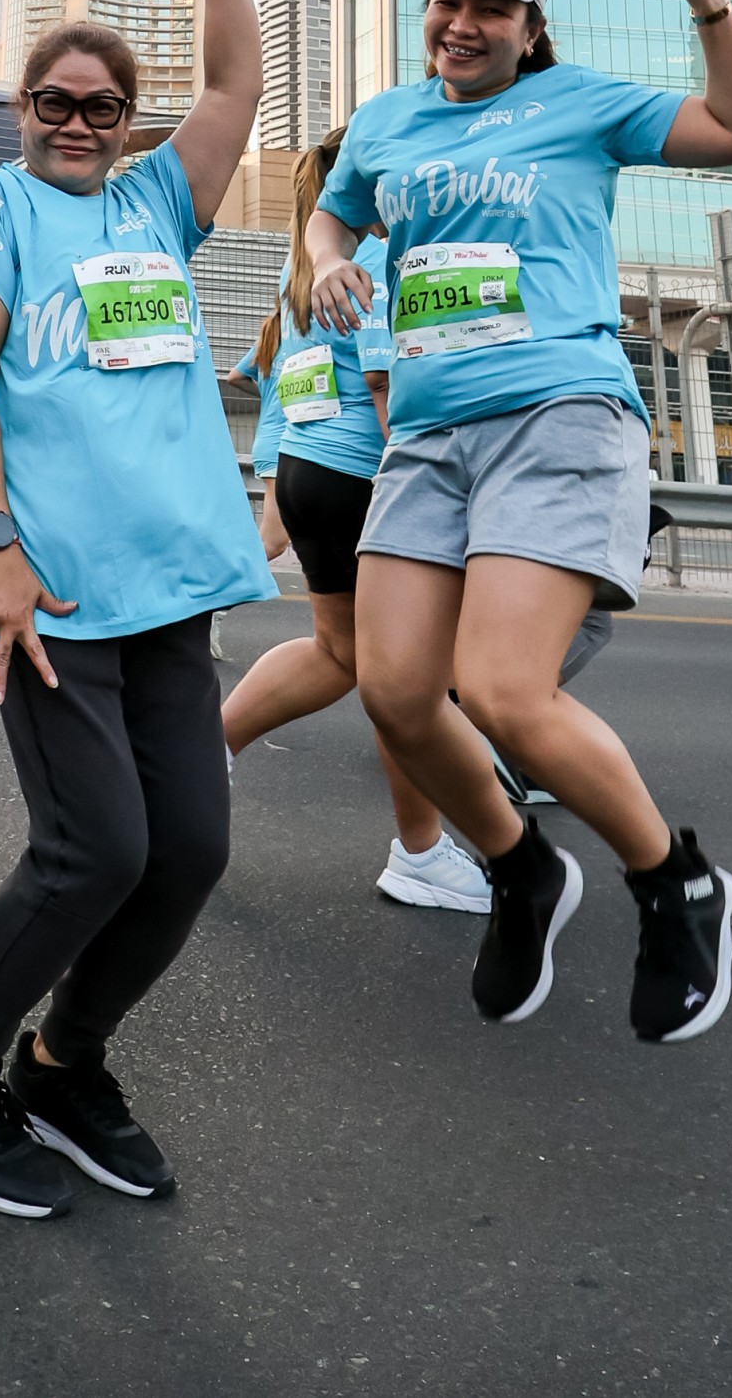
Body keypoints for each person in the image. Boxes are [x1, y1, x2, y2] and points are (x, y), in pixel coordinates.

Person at [0, 0, 269, 1221]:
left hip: (172, 591)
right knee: (92, 850)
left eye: (104, 106)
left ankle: (64, 1061)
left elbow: (236, 91)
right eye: (55, 100)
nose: (80, 121)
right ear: (26, 109)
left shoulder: (159, 200)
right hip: (50, 591)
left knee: (191, 852)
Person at [310, 0, 732, 1045]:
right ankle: (520, 871)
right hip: (423, 433)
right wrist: (327, 263)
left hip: (553, 411)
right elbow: (332, 210)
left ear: (529, 29)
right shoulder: (384, 120)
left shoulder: (581, 107)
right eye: (448, 2)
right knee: (396, 693)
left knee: (506, 691)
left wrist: (704, 2)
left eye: (491, 10)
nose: (462, 24)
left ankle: (676, 884)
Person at [222, 136, 487, 918]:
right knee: (407, 677)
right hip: (363, 477)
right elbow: (383, 388)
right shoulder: (373, 257)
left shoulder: (304, 262)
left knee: (341, 653)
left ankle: (206, 750)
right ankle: (421, 852)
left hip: (310, 472)